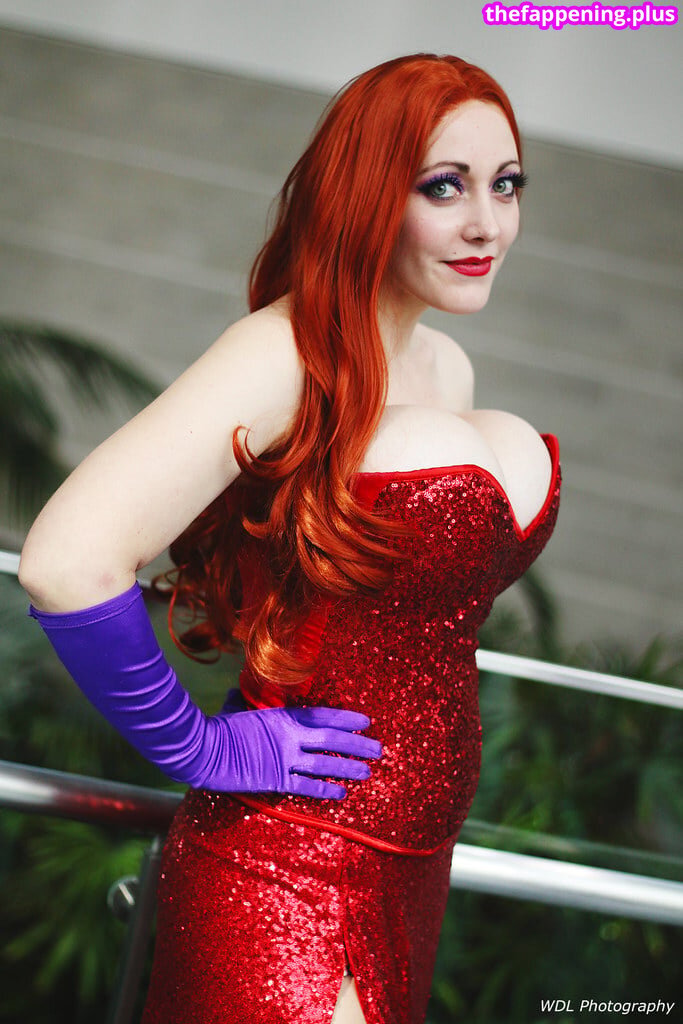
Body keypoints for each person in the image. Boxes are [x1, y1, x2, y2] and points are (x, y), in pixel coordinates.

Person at [19, 53, 561, 1024]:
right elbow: (67, 561)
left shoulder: (443, 366)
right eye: (444, 187)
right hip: (287, 874)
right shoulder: (287, 349)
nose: (488, 223)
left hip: (412, 868)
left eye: (506, 184)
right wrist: (200, 750)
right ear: (367, 193)